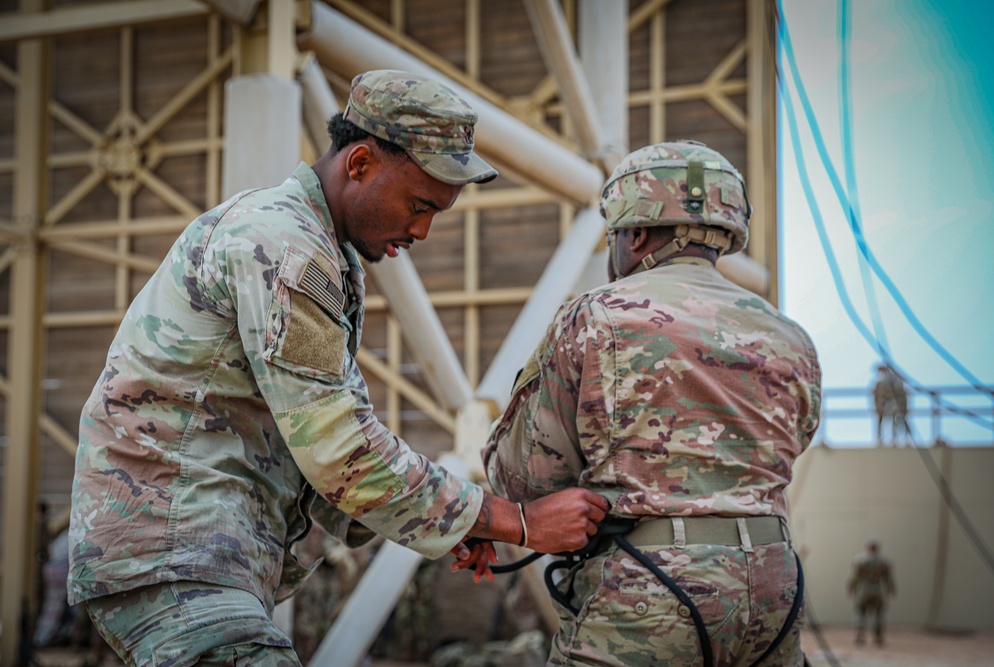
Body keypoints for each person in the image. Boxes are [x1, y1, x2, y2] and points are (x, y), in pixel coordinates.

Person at [67, 69, 609, 666]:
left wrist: (465, 523)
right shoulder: (284, 247)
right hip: (174, 550)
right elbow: (340, 453)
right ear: (359, 164)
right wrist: (514, 520)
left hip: (197, 552)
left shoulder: (323, 252)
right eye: (419, 204)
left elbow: (329, 455)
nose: (423, 230)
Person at [482, 140, 822, 666]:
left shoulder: (597, 317)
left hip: (649, 592)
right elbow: (793, 445)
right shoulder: (791, 336)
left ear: (636, 233)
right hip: (774, 591)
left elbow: (524, 478)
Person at [847, 539, 895, 647]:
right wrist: (890, 589)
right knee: (879, 613)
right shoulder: (884, 561)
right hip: (878, 589)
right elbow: (888, 578)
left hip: (864, 589)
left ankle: (860, 634)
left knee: (860, 612)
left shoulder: (860, 560)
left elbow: (854, 577)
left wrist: (851, 588)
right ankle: (878, 636)